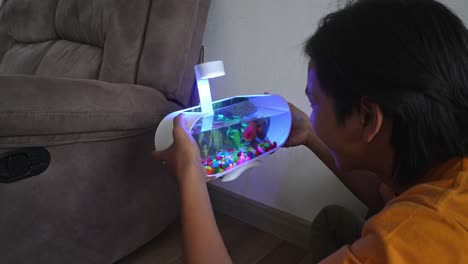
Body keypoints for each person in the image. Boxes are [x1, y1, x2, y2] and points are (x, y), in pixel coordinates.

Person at [152, 0, 468, 263]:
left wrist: (191, 177)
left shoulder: (405, 246)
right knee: (332, 220)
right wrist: (309, 135)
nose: (311, 114)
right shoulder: (443, 172)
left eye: (314, 103)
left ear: (369, 118)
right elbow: (385, 196)